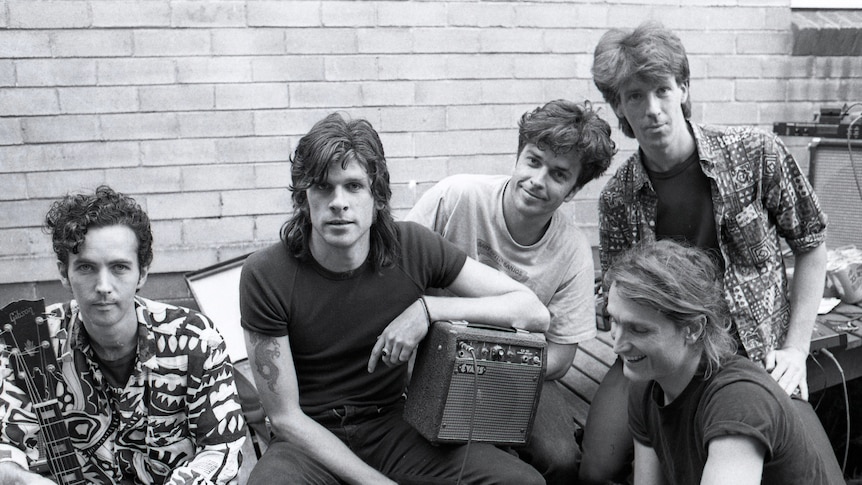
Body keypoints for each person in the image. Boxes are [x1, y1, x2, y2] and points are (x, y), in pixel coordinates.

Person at [239, 112, 551, 485]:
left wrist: (429, 308)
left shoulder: (413, 248)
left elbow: (532, 311)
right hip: (308, 442)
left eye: (353, 186)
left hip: (392, 425)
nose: (338, 202)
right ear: (304, 198)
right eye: (323, 186)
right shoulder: (266, 274)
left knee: (521, 482)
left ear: (378, 197)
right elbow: (286, 417)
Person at [579, 21, 829, 484]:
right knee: (595, 465)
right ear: (618, 106)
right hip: (667, 352)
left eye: (662, 90)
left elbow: (811, 244)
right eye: (635, 96)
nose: (652, 109)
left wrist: (796, 348)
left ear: (684, 89)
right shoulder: (618, 196)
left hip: (754, 354)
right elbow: (615, 288)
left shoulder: (756, 153)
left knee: (811, 467)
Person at [406, 98, 615, 484]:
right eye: (533, 161)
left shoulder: (573, 253)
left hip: (517, 373)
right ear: (518, 157)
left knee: (562, 458)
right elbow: (398, 271)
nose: (538, 180)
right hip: (428, 357)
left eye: (558, 174)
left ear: (572, 190)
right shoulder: (456, 197)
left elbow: (562, 357)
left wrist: (492, 368)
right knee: (427, 439)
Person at [0, 186, 247, 485]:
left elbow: (220, 449)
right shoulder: (30, 341)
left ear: (142, 273)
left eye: (119, 267)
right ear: (64, 274)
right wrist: (24, 479)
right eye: (87, 267)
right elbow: (5, 447)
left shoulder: (194, 339)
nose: (103, 285)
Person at [605, 240, 843, 484]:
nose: (617, 345)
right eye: (613, 320)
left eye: (639, 330)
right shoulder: (646, 380)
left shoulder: (737, 402)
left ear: (693, 329)